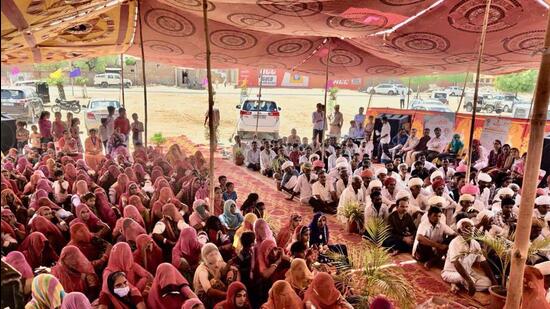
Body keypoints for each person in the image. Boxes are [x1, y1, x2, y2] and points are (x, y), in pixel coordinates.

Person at [441, 219, 496, 295]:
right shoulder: (455, 242)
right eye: (466, 227)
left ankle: (459, 284)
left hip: (468, 272)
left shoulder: (475, 244)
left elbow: (484, 263)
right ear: (460, 231)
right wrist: (470, 281)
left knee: (488, 282)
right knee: (465, 279)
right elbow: (456, 263)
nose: (470, 229)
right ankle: (464, 282)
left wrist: (494, 282)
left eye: (472, 227)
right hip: (451, 272)